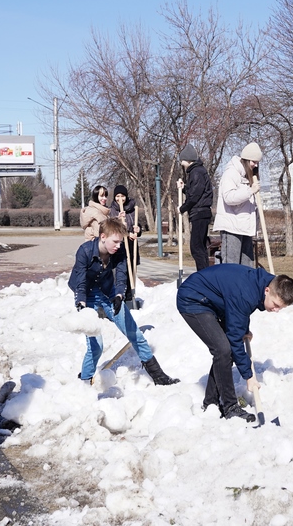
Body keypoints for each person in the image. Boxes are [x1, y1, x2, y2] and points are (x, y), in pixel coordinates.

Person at [176, 264, 293, 422]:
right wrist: (248, 375)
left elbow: (240, 310)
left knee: (225, 349)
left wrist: (243, 329)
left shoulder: (264, 285)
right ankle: (230, 407)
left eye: (280, 308)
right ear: (267, 290)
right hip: (193, 299)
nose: (276, 310)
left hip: (214, 300)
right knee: (223, 349)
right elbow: (239, 315)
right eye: (275, 305)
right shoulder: (247, 294)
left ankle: (211, 402)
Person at [70, 216, 178, 385]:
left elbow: (121, 276)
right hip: (86, 295)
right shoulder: (84, 251)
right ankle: (85, 380)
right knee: (96, 345)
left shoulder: (118, 251)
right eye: (115, 241)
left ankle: (159, 377)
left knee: (134, 333)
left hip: (108, 293)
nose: (119, 246)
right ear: (103, 237)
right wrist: (81, 304)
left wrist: (119, 295)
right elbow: (80, 281)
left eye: (120, 242)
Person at [214, 142, 263, 266]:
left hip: (245, 227)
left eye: (257, 162)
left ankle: (244, 285)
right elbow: (229, 197)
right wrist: (250, 191)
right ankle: (227, 286)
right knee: (231, 265)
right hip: (231, 226)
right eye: (254, 162)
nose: (255, 165)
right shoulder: (231, 173)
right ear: (246, 160)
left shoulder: (248, 177)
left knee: (247, 265)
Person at [178, 144, 214, 271]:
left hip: (200, 213)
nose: (181, 163)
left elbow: (195, 196)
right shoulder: (197, 172)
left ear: (188, 160)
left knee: (196, 247)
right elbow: (194, 191)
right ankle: (204, 274)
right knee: (200, 247)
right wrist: (184, 188)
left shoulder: (197, 172)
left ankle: (203, 275)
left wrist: (182, 208)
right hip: (200, 213)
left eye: (182, 160)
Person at [110, 184, 143, 301]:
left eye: (122, 196)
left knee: (131, 270)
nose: (120, 199)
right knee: (121, 270)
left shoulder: (133, 208)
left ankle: (130, 296)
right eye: (117, 196)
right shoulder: (112, 210)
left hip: (131, 243)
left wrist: (137, 230)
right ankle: (118, 295)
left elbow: (137, 225)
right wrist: (118, 220)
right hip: (120, 244)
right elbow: (110, 228)